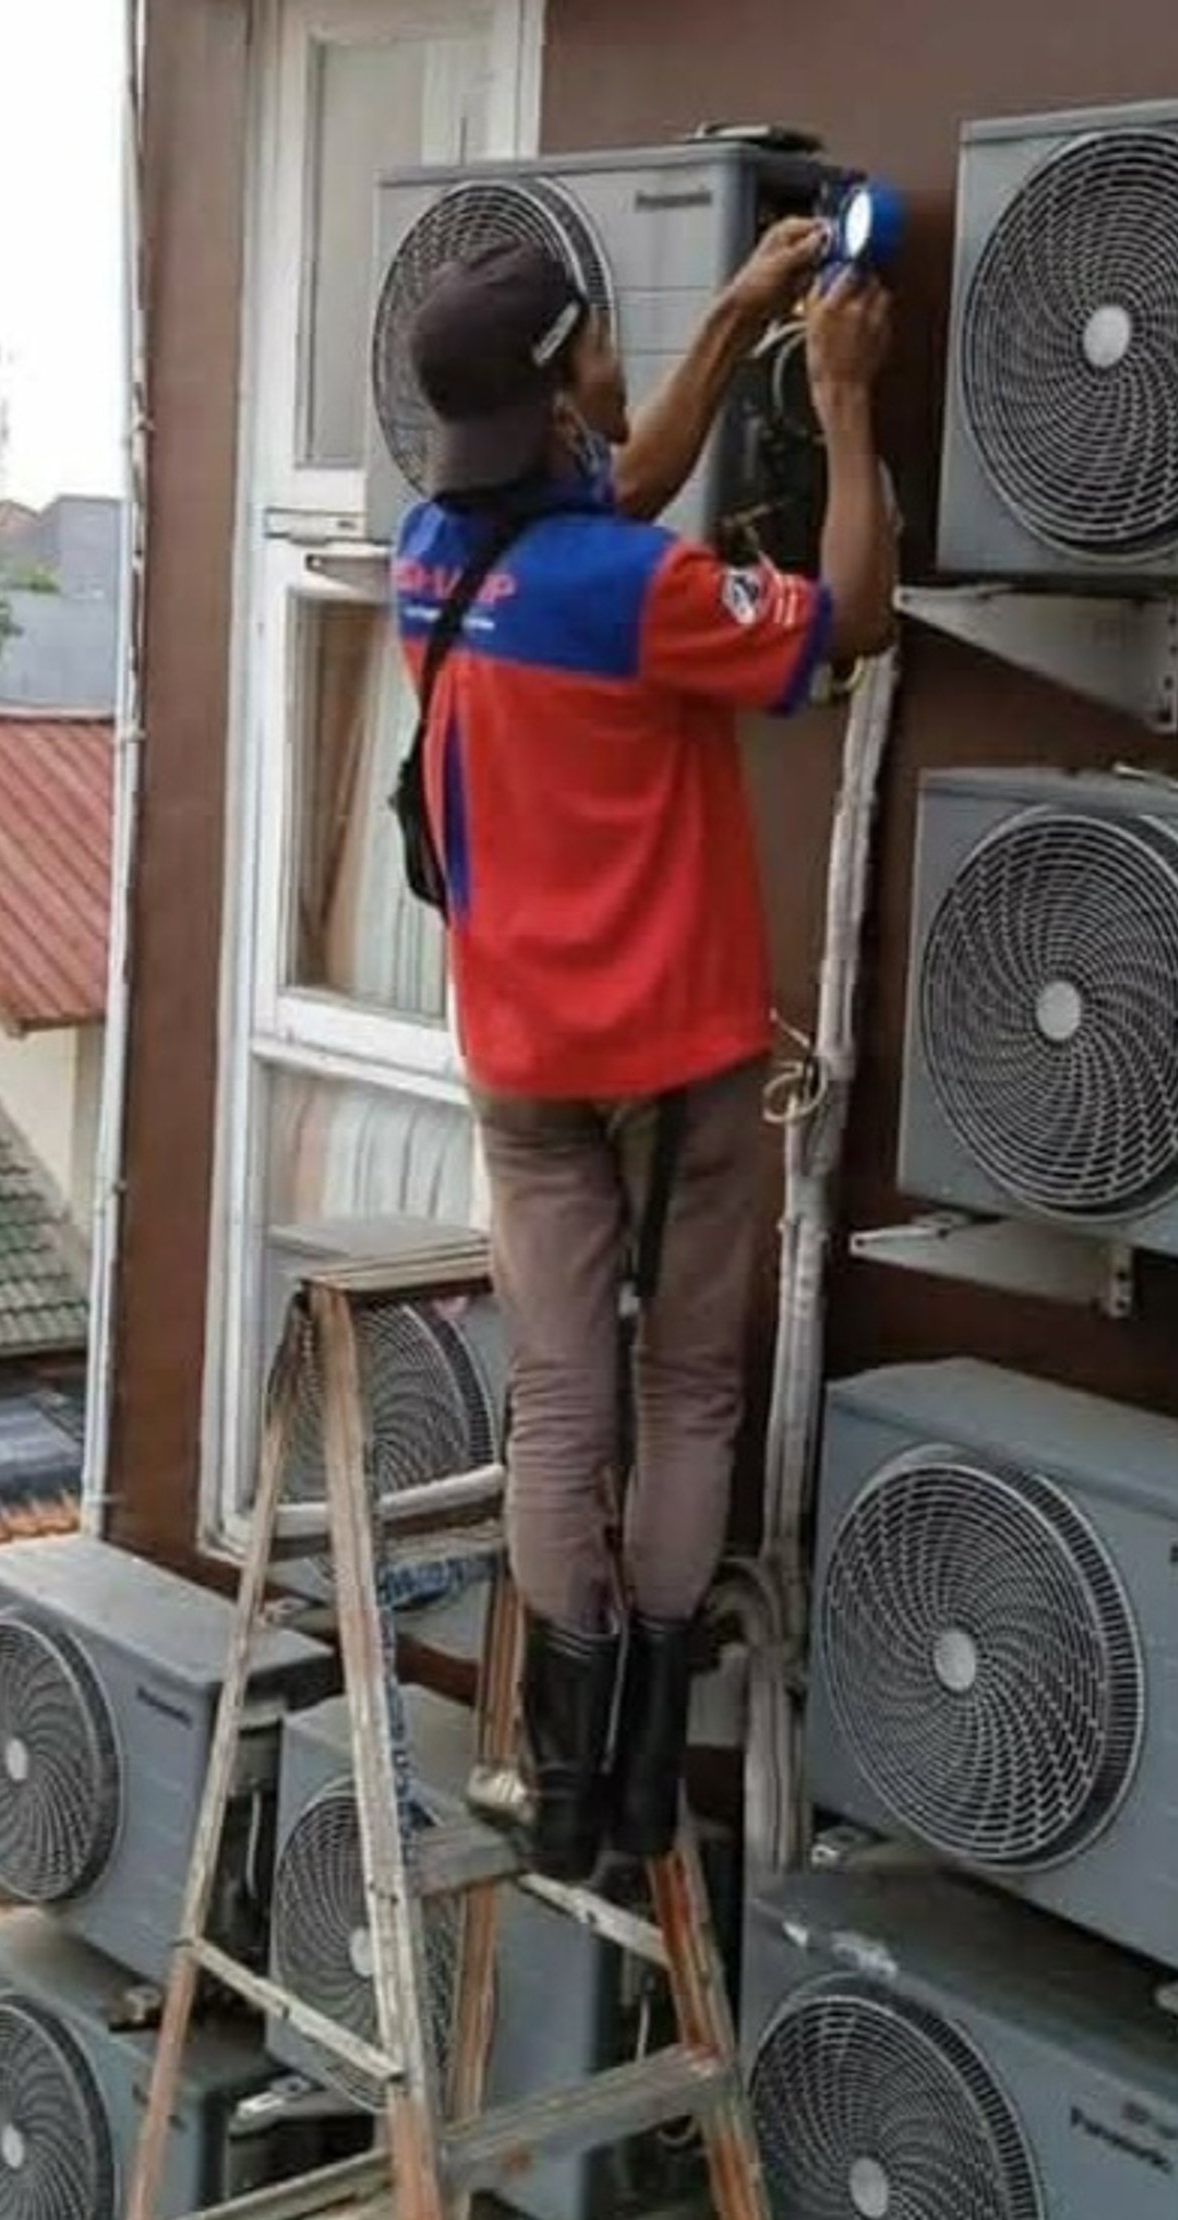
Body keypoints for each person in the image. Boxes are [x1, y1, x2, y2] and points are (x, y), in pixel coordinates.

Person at [393, 218, 896, 1885]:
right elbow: (854, 618)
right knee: (682, 1395)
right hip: (674, 1066)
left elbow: (610, 491)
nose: (619, 368)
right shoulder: (646, 596)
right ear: (560, 395)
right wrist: (840, 401)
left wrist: (743, 306)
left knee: (558, 1406)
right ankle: (640, 1797)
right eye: (602, 345)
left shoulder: (434, 558)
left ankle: (559, 1784)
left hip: (523, 1064)